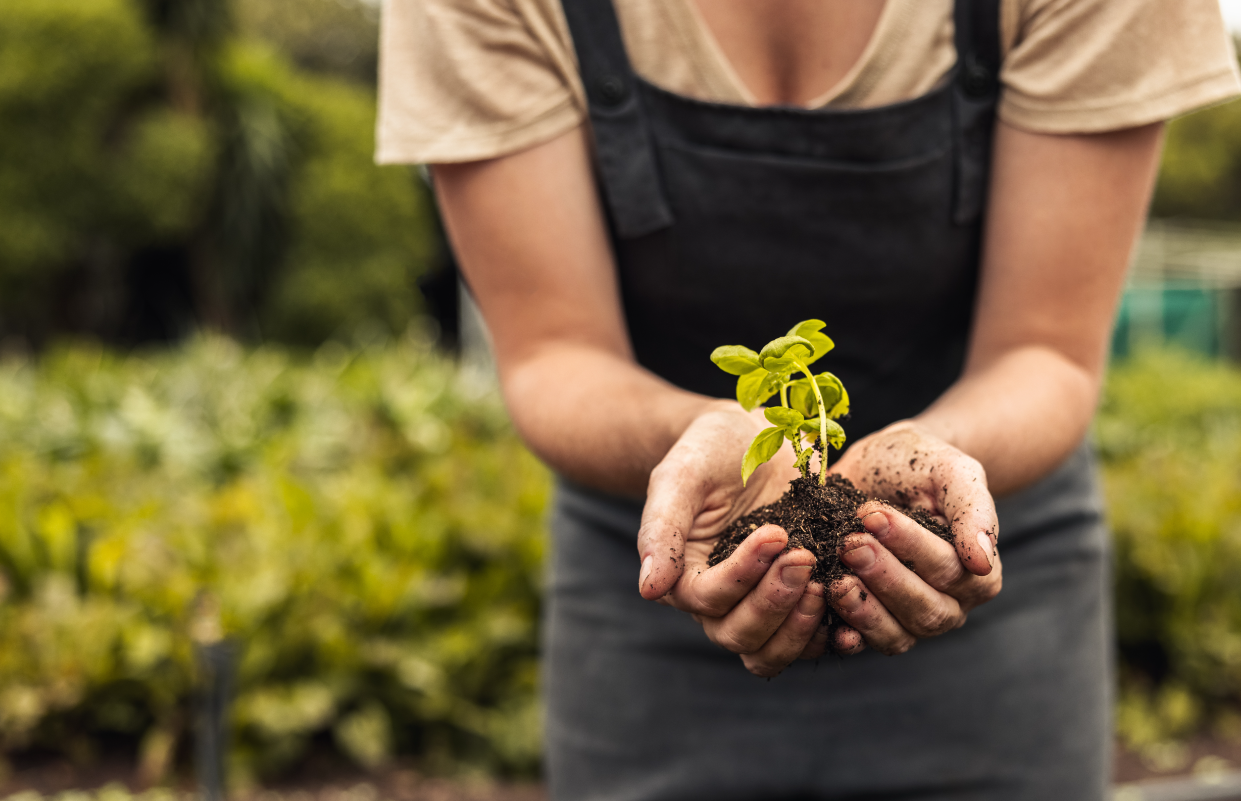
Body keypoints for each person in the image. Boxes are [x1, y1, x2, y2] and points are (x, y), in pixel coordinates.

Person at [378, 1, 1241, 798]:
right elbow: (554, 352)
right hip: (662, 571)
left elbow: (1043, 349)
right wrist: (700, 430)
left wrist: (930, 451)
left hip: (985, 567)